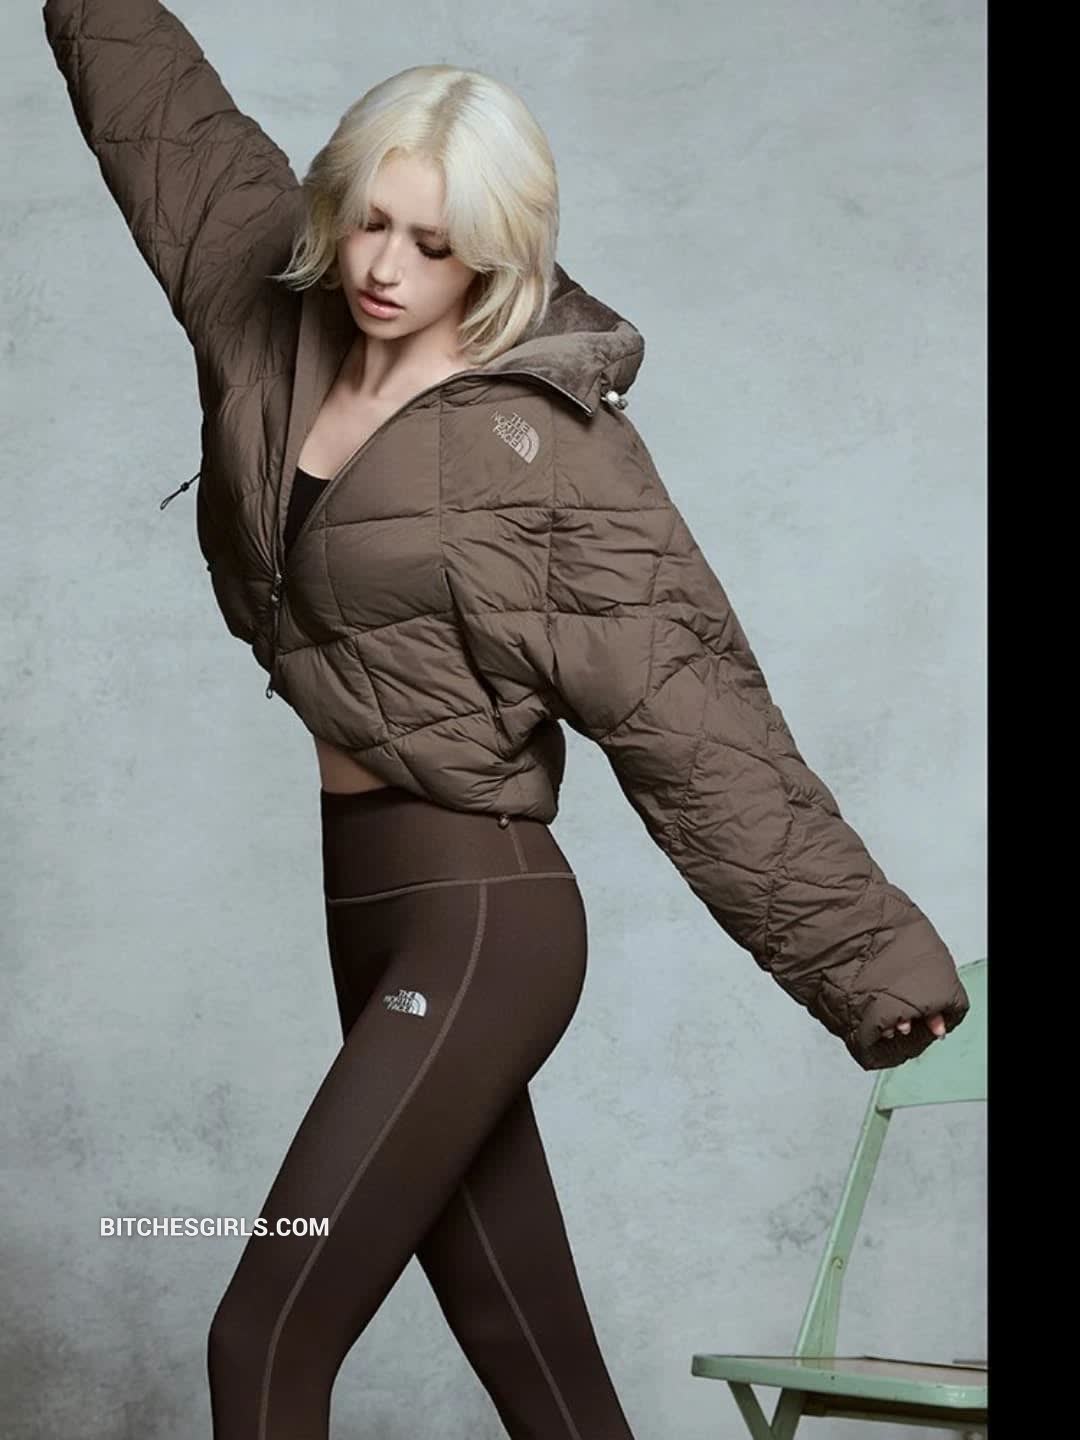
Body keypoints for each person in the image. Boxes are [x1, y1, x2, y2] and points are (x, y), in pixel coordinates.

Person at [43, 2, 971, 1436]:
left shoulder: (549, 448)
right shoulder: (268, 307)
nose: (385, 268)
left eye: (435, 243)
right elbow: (162, 118)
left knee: (264, 1338)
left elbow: (696, 716)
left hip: (483, 922)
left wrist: (867, 963)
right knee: (533, 1361)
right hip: (366, 907)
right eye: (370, 222)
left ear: (495, 249)